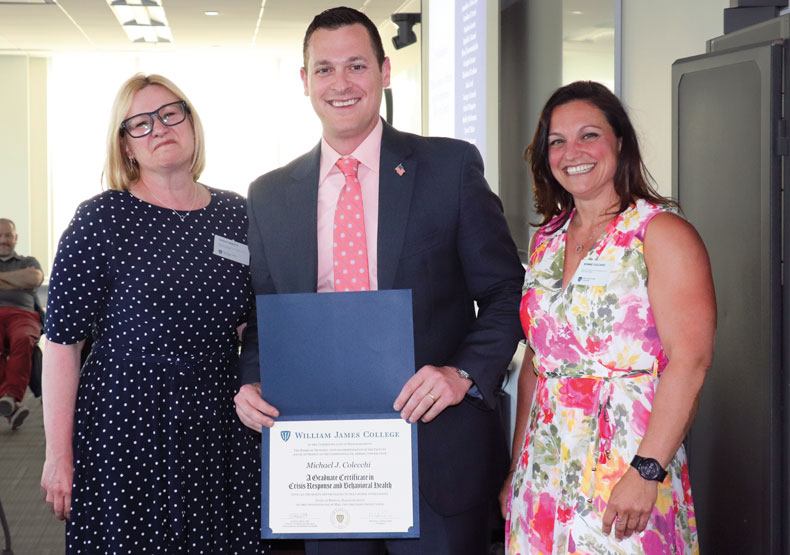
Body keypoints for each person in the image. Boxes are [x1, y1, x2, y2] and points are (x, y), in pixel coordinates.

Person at [233, 6, 525, 554]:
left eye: (356, 66)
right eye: (324, 69)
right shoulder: (269, 194)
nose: (340, 84)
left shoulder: (450, 168)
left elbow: (508, 293)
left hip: (436, 450)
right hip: (321, 461)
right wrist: (250, 384)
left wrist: (462, 373)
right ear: (304, 81)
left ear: (385, 72)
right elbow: (267, 313)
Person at [40, 73, 266, 553]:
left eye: (169, 113)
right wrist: (58, 455)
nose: (159, 127)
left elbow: (256, 323)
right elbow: (62, 345)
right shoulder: (101, 219)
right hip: (126, 423)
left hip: (219, 420)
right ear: (125, 146)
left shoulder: (238, 214)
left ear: (191, 122)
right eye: (139, 123)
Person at [500, 81, 716, 554]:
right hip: (544, 465)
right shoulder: (546, 241)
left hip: (627, 463)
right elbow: (538, 363)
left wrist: (647, 471)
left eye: (588, 135)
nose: (571, 152)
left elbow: (691, 361)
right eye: (556, 140)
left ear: (620, 141)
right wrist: (518, 468)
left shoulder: (660, 233)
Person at [0, 217, 43, 430]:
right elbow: (24, 280)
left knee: (24, 339)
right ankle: (11, 402)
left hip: (23, 315)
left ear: (15, 238)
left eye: (8, 235)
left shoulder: (28, 261)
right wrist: (16, 281)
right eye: (0, 235)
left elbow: (34, 278)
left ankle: (10, 397)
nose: (3, 240)